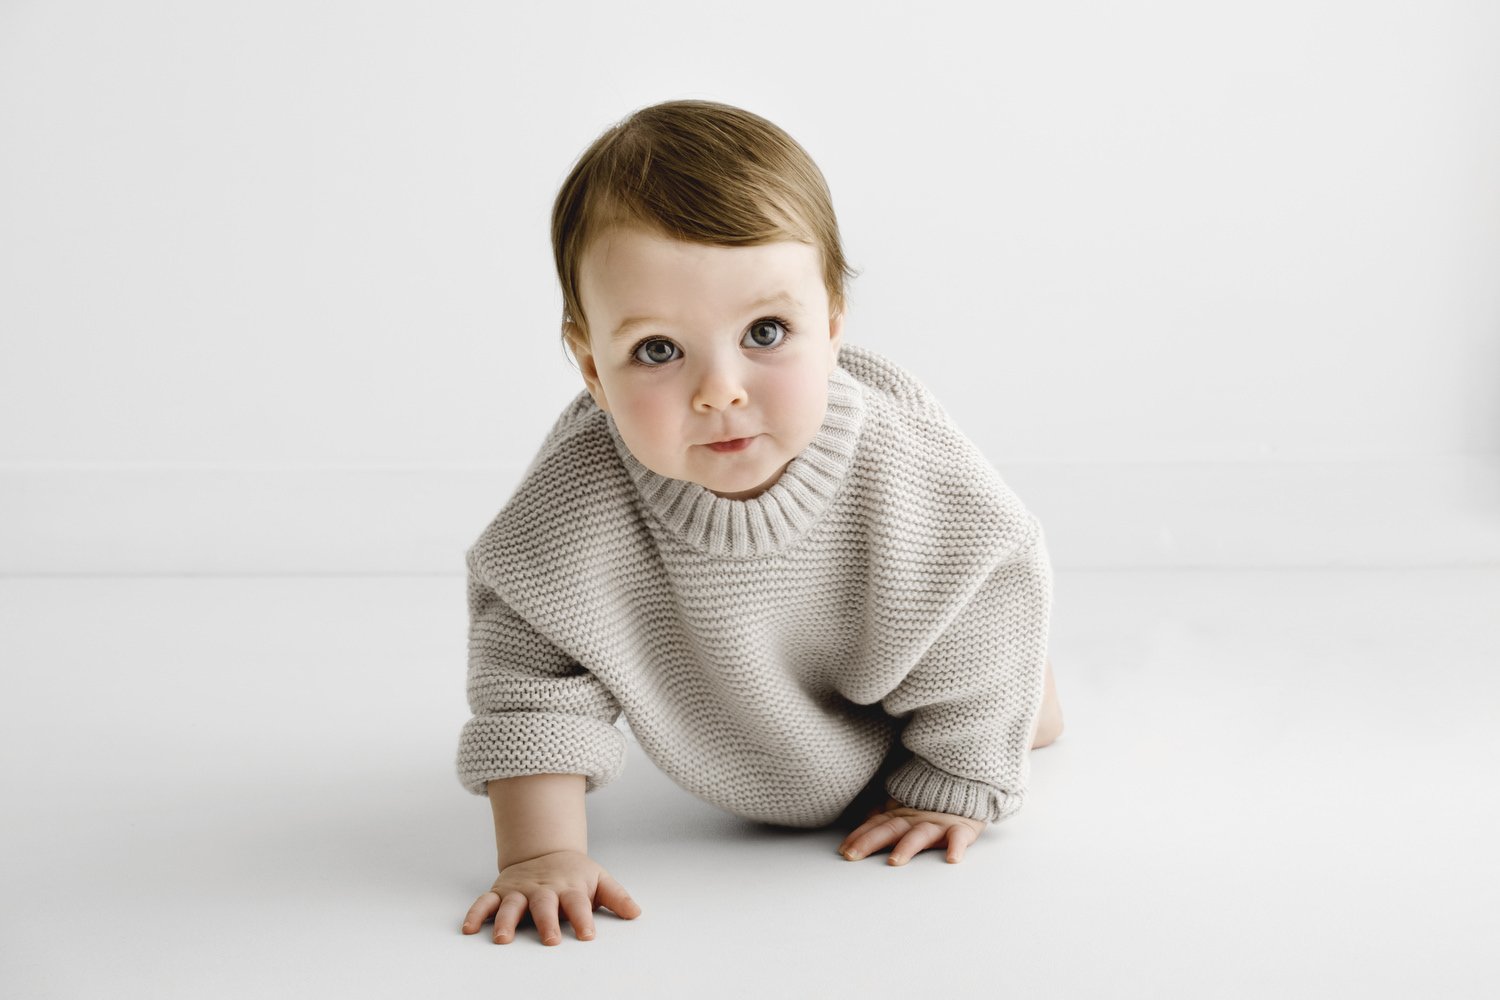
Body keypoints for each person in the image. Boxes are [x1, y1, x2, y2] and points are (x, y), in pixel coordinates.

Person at [457, 99, 1065, 946]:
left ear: (834, 329)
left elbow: (989, 588)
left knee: (1009, 700)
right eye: (659, 351)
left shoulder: (904, 470)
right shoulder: (574, 508)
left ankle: (1024, 703)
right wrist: (540, 855)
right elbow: (532, 682)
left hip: (905, 669)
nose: (721, 389)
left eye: (767, 332)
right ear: (594, 369)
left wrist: (954, 783)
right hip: (746, 708)